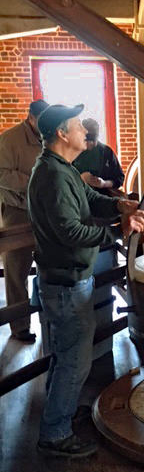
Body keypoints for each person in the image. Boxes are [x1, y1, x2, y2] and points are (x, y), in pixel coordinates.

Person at [28, 103, 144, 459]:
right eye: (79, 125)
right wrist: (117, 230)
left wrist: (120, 206)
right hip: (66, 282)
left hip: (66, 279)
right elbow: (70, 230)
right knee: (74, 361)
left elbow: (88, 198)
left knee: (64, 354)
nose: (85, 131)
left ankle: (59, 410)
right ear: (62, 134)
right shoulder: (52, 175)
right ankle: (54, 434)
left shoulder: (60, 168)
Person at [0, 99, 49, 342]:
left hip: (43, 212)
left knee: (49, 266)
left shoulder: (48, 136)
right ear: (31, 118)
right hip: (17, 212)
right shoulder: (9, 140)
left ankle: (48, 321)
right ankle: (19, 327)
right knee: (17, 272)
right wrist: (33, 182)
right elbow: (1, 174)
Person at [73, 118, 124, 194]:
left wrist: (103, 184)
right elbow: (63, 179)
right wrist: (80, 178)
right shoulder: (73, 151)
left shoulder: (106, 152)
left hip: (103, 196)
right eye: (88, 139)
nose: (90, 143)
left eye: (93, 140)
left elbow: (119, 179)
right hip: (79, 196)